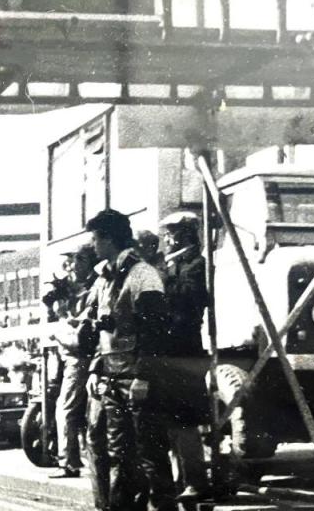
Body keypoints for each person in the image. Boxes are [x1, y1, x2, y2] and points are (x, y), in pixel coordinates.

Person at [88, 209, 177, 511]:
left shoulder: (143, 275)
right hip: (113, 379)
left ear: (109, 239)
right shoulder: (105, 278)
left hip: (137, 381)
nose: (93, 245)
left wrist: (145, 376)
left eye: (96, 239)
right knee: (120, 458)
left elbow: (155, 330)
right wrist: (95, 369)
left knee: (149, 455)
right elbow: (104, 329)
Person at [160, 211, 211, 500]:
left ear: (185, 233)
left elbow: (192, 297)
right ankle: (182, 479)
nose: (168, 238)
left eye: (172, 232)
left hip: (186, 350)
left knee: (185, 421)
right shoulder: (175, 264)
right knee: (171, 423)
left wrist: (163, 279)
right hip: (170, 352)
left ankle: (196, 481)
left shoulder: (196, 264)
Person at [48, 243, 98, 479]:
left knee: (66, 409)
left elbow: (80, 333)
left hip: (80, 359)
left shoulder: (93, 288)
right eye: (70, 260)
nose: (71, 265)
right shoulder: (78, 288)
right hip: (74, 358)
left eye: (78, 259)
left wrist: (59, 327)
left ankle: (68, 462)